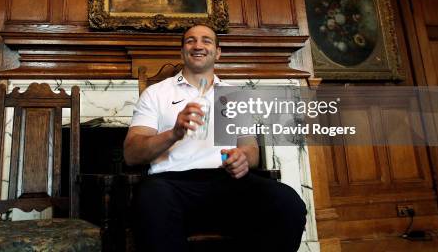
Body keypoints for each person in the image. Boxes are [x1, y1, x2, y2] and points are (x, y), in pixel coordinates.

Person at [124, 24, 307, 252]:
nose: (198, 45)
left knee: (288, 203)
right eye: (190, 40)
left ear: (218, 52)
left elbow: (250, 150)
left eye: (206, 40)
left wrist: (242, 158)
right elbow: (131, 154)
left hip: (226, 183)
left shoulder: (233, 95)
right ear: (182, 52)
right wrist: (173, 134)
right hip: (171, 185)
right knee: (150, 200)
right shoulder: (157, 93)